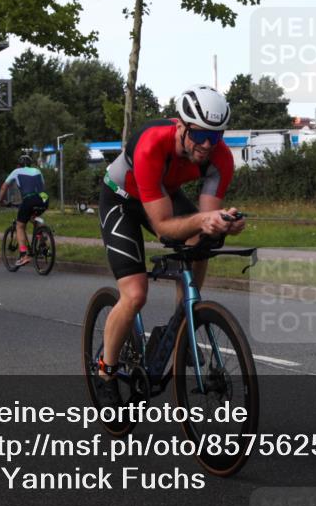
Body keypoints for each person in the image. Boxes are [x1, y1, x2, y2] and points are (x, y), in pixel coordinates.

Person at [97, 85, 245, 400]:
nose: (207, 145)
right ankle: (105, 371)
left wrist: (222, 224)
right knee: (135, 294)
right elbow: (164, 226)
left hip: (161, 194)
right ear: (180, 125)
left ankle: (182, 327)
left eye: (215, 136)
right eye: (199, 135)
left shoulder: (220, 159)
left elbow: (205, 221)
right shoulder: (152, 144)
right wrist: (206, 221)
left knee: (202, 240)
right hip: (121, 199)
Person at [0, 154, 49, 267]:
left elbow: (4, 187)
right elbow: (42, 186)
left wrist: (1, 201)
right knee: (34, 218)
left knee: (20, 225)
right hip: (44, 199)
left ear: (18, 165)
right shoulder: (37, 170)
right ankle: (42, 243)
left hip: (29, 199)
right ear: (30, 164)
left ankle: (23, 255)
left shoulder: (16, 171)